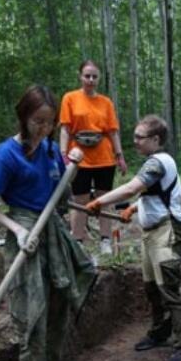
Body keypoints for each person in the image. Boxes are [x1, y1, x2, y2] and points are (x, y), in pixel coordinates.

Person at [0, 85, 97, 361]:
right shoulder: (5, 155)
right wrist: (17, 229)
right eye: (38, 122)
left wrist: (72, 166)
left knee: (63, 300)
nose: (44, 129)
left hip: (53, 233)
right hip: (26, 235)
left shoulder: (48, 148)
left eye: (49, 123)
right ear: (24, 117)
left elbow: (58, 192)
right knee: (32, 317)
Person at [86, 114, 181, 361]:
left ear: (155, 139)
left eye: (139, 137)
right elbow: (151, 194)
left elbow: (131, 188)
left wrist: (100, 201)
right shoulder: (153, 162)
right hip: (150, 233)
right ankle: (160, 332)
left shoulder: (158, 163)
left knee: (168, 286)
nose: (134, 141)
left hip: (167, 232)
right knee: (151, 287)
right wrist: (134, 210)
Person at [59, 60, 127, 254]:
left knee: (104, 198)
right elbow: (64, 128)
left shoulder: (106, 102)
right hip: (78, 157)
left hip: (104, 157)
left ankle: (105, 239)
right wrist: (64, 154)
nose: (90, 80)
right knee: (79, 200)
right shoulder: (70, 98)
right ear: (80, 76)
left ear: (99, 78)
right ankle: (78, 240)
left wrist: (119, 156)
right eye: (87, 76)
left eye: (94, 76)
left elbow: (113, 132)